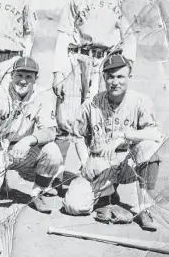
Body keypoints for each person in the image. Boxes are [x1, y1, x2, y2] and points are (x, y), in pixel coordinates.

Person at [51, 0, 137, 187]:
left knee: (97, 119)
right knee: (65, 120)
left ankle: (91, 172)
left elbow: (130, 35)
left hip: (105, 63)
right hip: (76, 59)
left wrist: (126, 66)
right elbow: (64, 34)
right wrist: (58, 72)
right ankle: (55, 175)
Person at [0, 57, 62, 254]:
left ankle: (37, 194)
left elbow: (51, 132)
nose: (23, 80)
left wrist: (29, 140)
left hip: (22, 148)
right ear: (12, 76)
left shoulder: (42, 95)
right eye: (19, 75)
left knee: (53, 153)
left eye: (29, 76)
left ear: (36, 78)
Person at [62, 54, 164, 232]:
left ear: (129, 77)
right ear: (104, 78)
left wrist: (123, 136)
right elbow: (78, 135)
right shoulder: (91, 104)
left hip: (128, 163)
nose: (115, 81)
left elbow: (155, 133)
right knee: (74, 206)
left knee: (149, 148)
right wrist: (85, 161)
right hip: (99, 164)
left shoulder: (140, 101)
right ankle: (107, 197)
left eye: (120, 76)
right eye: (110, 76)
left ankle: (144, 208)